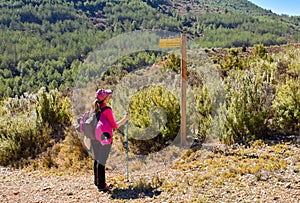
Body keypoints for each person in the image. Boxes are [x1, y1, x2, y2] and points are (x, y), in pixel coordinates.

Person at [91, 89, 130, 192]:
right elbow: (114, 126)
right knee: (102, 161)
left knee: (97, 160)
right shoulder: (107, 109)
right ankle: (102, 185)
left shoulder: (95, 108)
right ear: (105, 99)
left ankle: (97, 182)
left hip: (94, 137)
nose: (109, 97)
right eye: (108, 96)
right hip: (104, 138)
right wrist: (125, 119)